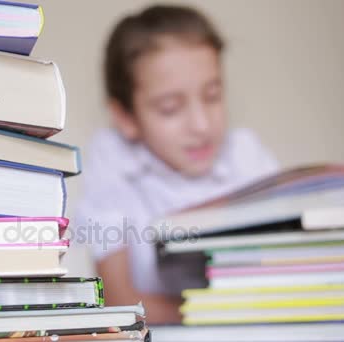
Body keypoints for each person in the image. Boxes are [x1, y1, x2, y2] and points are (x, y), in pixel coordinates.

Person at [74, 5, 279, 324]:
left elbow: (287, 274)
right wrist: (227, 312)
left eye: (212, 96)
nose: (201, 125)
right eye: (170, 108)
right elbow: (117, 300)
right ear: (126, 117)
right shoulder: (112, 157)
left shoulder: (245, 153)